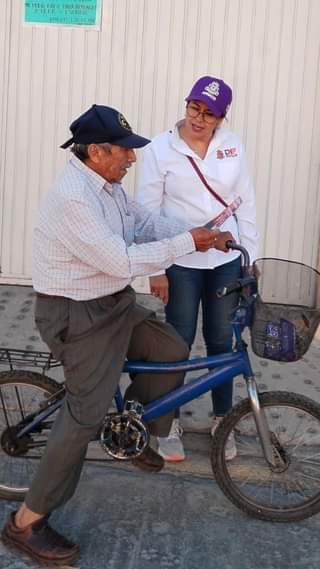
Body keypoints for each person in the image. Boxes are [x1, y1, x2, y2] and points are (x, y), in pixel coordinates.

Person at [1, 104, 233, 566]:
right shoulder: (73, 199)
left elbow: (144, 223)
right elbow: (122, 261)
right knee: (84, 415)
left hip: (112, 303)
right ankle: (25, 521)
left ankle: (133, 434)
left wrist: (197, 231)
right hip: (77, 313)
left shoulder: (108, 186)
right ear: (95, 150)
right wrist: (190, 244)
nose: (131, 159)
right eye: (124, 151)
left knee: (171, 349)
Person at [137, 76, 259, 462]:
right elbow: (146, 211)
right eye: (194, 108)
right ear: (186, 105)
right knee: (178, 343)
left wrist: (251, 260)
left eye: (209, 113)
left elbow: (246, 202)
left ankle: (223, 418)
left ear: (222, 117)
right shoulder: (161, 148)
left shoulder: (233, 145)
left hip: (225, 259)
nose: (199, 119)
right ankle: (166, 422)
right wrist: (155, 268)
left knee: (224, 341)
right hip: (180, 259)